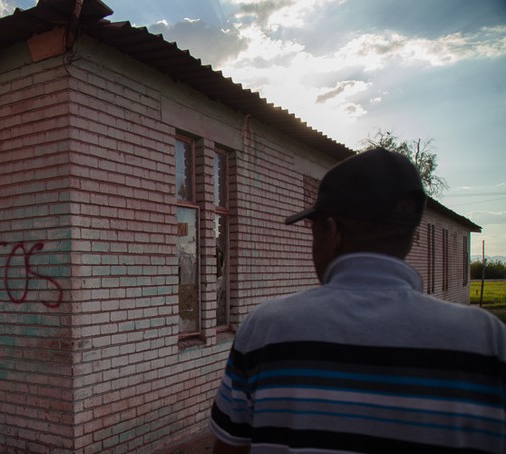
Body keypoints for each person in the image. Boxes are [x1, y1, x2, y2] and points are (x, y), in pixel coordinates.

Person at [209, 148, 506, 453]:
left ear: (332, 232)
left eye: (314, 230)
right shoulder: (484, 339)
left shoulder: (266, 330)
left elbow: (230, 448)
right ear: (408, 236)